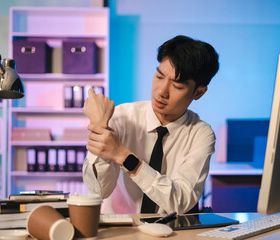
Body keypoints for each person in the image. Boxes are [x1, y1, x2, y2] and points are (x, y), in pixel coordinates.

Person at [82, 35, 219, 214]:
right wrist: (100, 127)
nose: (161, 91)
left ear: (199, 92)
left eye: (177, 86)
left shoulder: (201, 134)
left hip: (168, 231)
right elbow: (100, 191)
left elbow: (181, 202)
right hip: (121, 230)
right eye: (159, 76)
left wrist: (124, 157)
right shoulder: (122, 117)